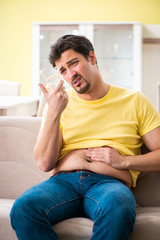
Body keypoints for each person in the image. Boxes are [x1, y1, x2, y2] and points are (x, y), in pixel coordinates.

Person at [10, 35, 160, 240]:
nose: (71, 74)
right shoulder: (58, 105)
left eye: (73, 64)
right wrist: (53, 112)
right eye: (62, 70)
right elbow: (44, 163)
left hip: (109, 184)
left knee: (119, 207)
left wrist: (124, 161)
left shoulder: (134, 100)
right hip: (63, 183)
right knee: (23, 208)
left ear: (92, 58)